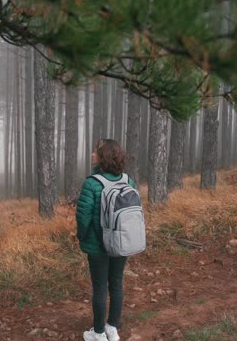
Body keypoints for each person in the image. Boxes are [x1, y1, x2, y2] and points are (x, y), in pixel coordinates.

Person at [76, 139, 136, 341]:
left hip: (98, 246)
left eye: (96, 151)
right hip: (122, 241)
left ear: (103, 157)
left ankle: (99, 333)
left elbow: (83, 218)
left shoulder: (92, 183)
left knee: (100, 287)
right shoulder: (128, 181)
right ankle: (112, 328)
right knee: (117, 284)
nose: (92, 153)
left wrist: (82, 238)